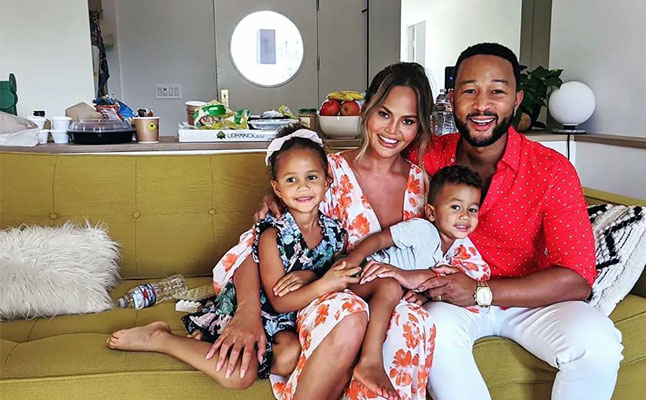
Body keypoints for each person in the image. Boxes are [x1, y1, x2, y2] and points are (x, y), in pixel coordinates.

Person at [407, 43, 624, 400]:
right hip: (450, 303)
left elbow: (577, 278)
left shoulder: (551, 170)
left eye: (497, 91)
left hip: (532, 301)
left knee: (598, 344)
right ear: (452, 98)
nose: (481, 105)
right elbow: (368, 171)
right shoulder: (426, 157)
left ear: (517, 99)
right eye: (469, 91)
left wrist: (481, 291)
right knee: (431, 334)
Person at [208, 62, 438, 399]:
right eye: (384, 114)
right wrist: (247, 312)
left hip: (388, 297)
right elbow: (253, 248)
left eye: (408, 121)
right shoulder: (326, 174)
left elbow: (438, 251)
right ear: (366, 110)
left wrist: (424, 287)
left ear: (420, 126)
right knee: (349, 313)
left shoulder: (423, 185)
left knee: (410, 323)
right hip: (325, 298)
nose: (392, 130)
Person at [106, 126, 358, 390]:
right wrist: (322, 284)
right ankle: (160, 338)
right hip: (260, 309)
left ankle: (204, 343)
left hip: (288, 322)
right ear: (277, 188)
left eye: (312, 177)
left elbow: (337, 265)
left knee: (288, 358)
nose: (303, 187)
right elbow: (278, 300)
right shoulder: (273, 234)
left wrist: (314, 276)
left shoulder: (335, 232)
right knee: (239, 377)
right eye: (291, 180)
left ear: (327, 181)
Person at [337, 165, 490, 399]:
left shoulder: (454, 249)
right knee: (390, 285)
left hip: (384, 288)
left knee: (397, 292)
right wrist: (352, 262)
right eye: (455, 207)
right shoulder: (422, 230)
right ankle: (369, 360)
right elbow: (379, 240)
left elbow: (438, 280)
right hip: (363, 275)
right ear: (431, 213)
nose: (465, 216)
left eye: (472, 209)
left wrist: (421, 295)